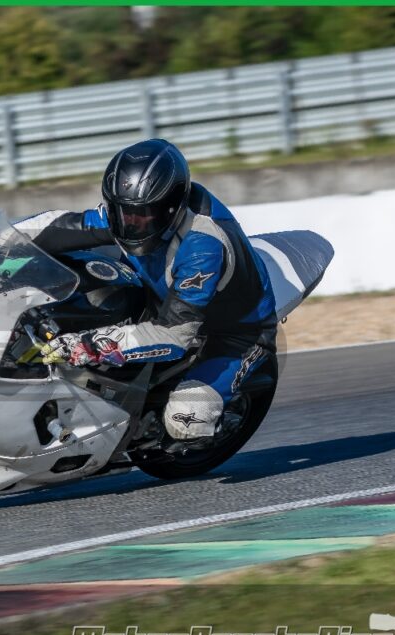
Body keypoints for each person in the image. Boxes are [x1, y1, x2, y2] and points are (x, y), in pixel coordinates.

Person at [32, 138, 277, 446]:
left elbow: (174, 335)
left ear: (172, 207)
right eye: (122, 211)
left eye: (143, 214)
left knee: (185, 420)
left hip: (232, 334)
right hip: (158, 293)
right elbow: (59, 226)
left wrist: (88, 344)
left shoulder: (203, 247)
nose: (131, 223)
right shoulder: (126, 214)